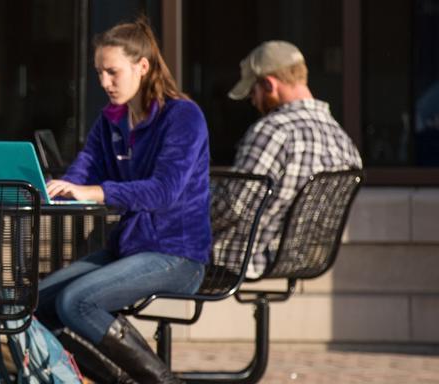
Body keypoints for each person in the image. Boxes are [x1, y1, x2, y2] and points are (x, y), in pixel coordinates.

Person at [36, 20, 209, 384]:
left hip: (178, 255)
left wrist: (94, 192)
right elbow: (83, 170)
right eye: (99, 72)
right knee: (33, 304)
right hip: (129, 250)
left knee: (76, 302)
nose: (104, 83)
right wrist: (56, 187)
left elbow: (164, 192)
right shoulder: (111, 119)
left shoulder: (182, 116)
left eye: (112, 72)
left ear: (142, 67)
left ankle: (162, 381)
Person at [224, 40, 362, 278]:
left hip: (242, 259)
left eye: (252, 92)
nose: (253, 102)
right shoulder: (345, 143)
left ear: (269, 84)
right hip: (305, 261)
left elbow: (233, 208)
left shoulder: (274, 131)